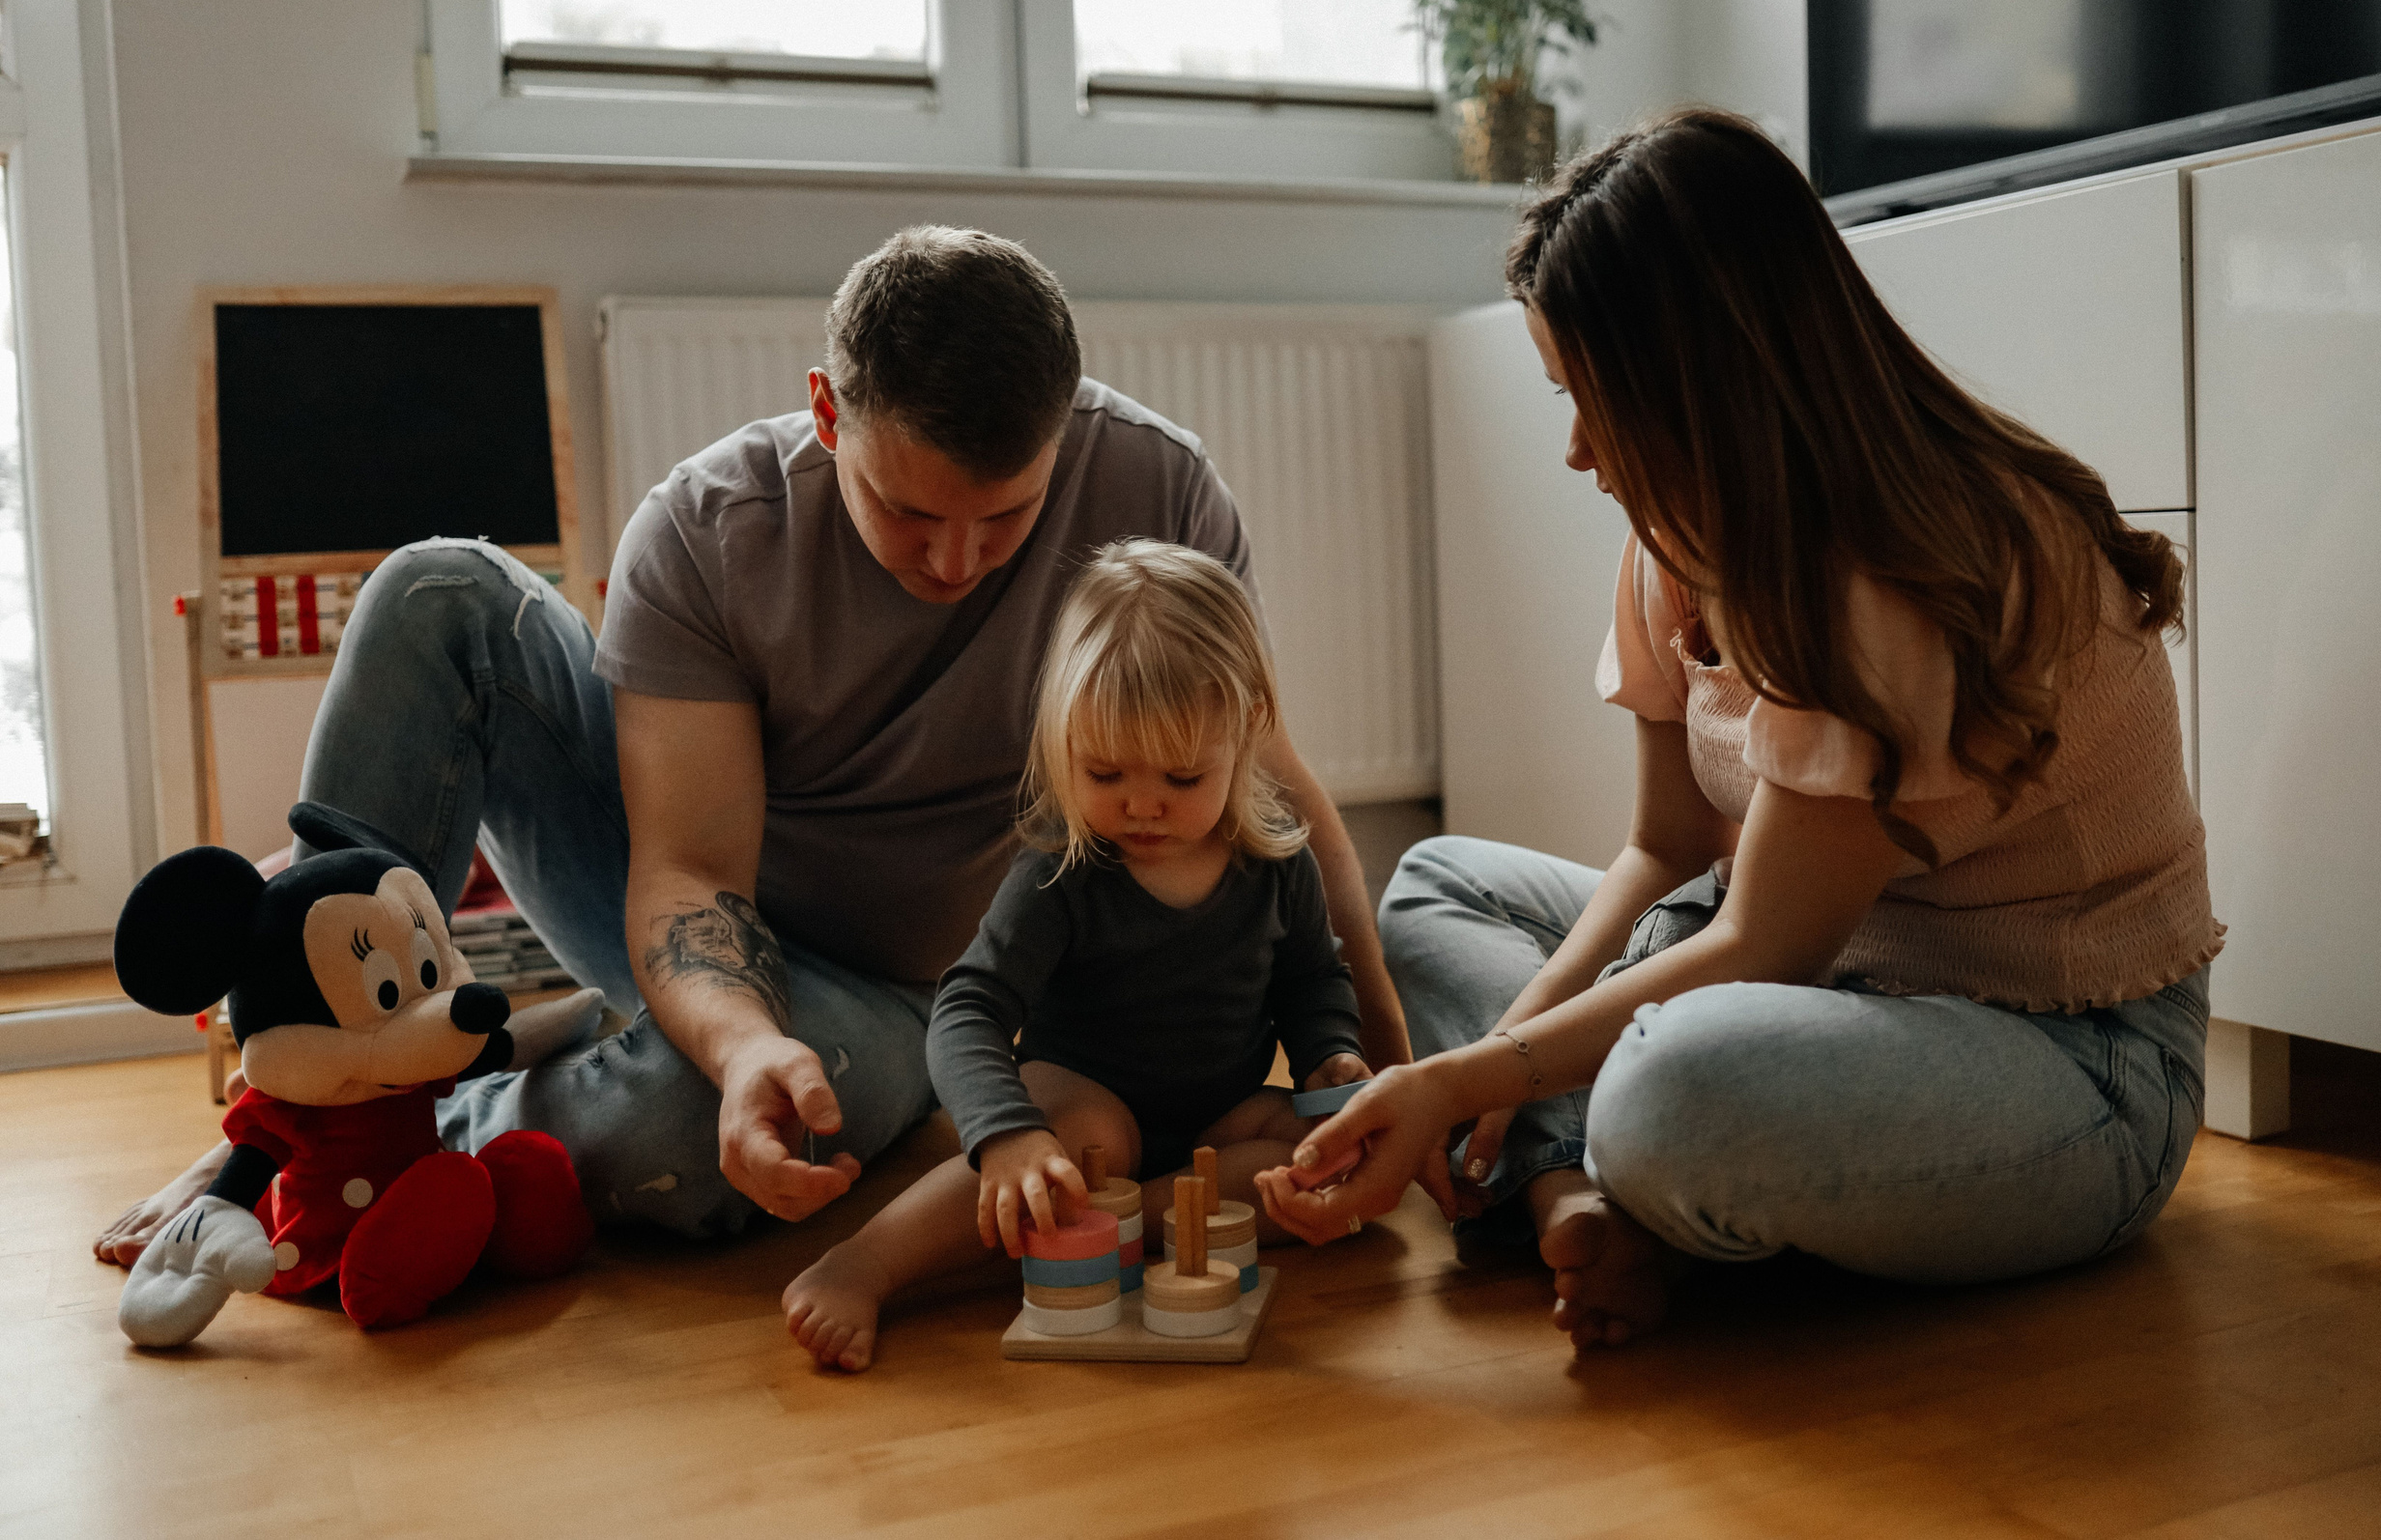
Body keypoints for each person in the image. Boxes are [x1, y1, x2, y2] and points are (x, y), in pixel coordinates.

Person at [98, 226, 1409, 1264]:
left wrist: (1400, 1077)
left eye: (1004, 520)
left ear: (1061, 440)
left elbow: (1268, 782)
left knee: (688, 1139)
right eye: (909, 512)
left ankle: (425, 1119)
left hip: (898, 994)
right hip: (702, 903)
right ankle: (292, 1126)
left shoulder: (1160, 490)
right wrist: (738, 1039)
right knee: (437, 588)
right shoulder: (709, 528)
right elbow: (687, 875)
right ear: (827, 412)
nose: (954, 561)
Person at [1258, 109, 2223, 1351]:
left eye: (1590, 399)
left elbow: (1761, 942)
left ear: (1698, 380)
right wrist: (1499, 1060)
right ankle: (1572, 1189)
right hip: (1823, 979)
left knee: (1678, 1082)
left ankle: (1598, 1169)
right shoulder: (1677, 539)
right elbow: (1666, 847)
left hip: (2067, 1058)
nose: (1573, 451)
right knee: (1440, 887)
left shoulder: (1897, 573)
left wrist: (1463, 1079)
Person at [783, 538, 1371, 1371]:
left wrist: (1331, 1054)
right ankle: (865, 1263)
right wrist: (1005, 1135)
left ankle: (1136, 1218)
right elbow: (968, 1010)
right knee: (1076, 1138)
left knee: (1320, 1158)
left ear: (1245, 736)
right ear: (1063, 739)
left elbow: (1315, 979)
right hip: (1083, 1103)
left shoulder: (1279, 865)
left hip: (1220, 1113)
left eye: (1179, 777)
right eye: (1104, 770)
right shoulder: (1061, 874)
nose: (1141, 803)